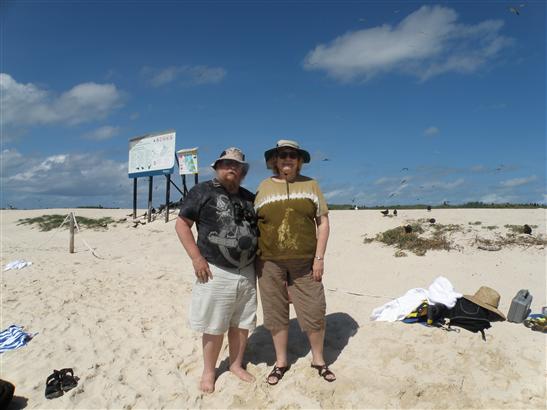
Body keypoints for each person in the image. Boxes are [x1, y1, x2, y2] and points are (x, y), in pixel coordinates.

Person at [175, 147, 258, 393]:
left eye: (236, 165)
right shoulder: (202, 191)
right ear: (217, 167)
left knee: (242, 323)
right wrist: (196, 258)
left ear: (243, 171)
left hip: (247, 270)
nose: (231, 168)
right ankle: (209, 372)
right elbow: (182, 224)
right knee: (214, 325)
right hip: (215, 269)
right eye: (226, 163)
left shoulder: (249, 197)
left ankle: (235, 365)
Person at [254, 139, 335, 385]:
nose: (287, 158)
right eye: (282, 155)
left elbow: (323, 222)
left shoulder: (311, 185)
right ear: (274, 161)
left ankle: (319, 360)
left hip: (305, 263)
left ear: (299, 161)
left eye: (292, 155)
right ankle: (281, 362)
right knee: (275, 312)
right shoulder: (263, 187)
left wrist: (319, 258)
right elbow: (253, 223)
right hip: (269, 263)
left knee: (314, 309)